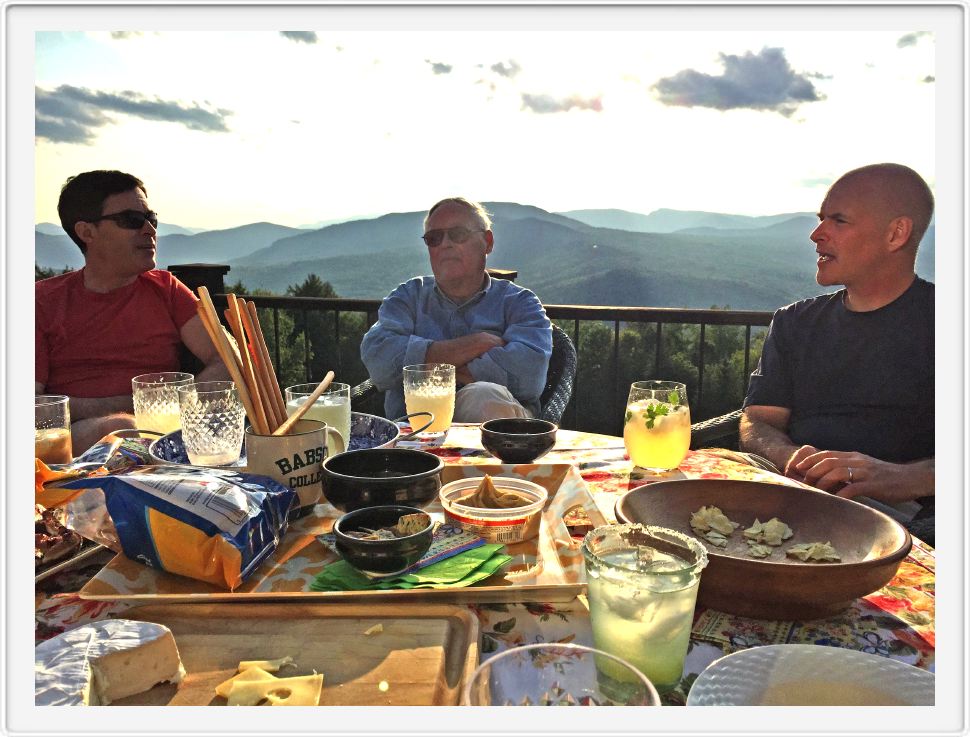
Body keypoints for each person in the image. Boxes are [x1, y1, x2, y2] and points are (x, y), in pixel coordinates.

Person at [739, 163, 934, 533]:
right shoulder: (794, 322)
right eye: (820, 219)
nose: (816, 235)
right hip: (789, 497)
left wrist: (903, 477)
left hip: (907, 523)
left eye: (839, 221)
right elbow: (759, 420)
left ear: (896, 234)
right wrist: (792, 459)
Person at [36, 170, 228, 453]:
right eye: (132, 220)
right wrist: (131, 408)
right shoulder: (41, 301)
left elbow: (229, 360)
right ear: (86, 231)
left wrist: (174, 409)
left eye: (151, 219)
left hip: (162, 441)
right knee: (110, 430)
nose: (150, 230)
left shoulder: (166, 290)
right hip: (72, 448)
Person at [360, 197, 553, 423]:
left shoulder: (521, 303)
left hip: (502, 442)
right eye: (434, 238)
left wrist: (421, 366)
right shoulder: (407, 297)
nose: (445, 244)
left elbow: (529, 377)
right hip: (413, 440)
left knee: (483, 396)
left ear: (487, 242)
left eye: (458, 234)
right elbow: (379, 363)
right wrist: (479, 343)